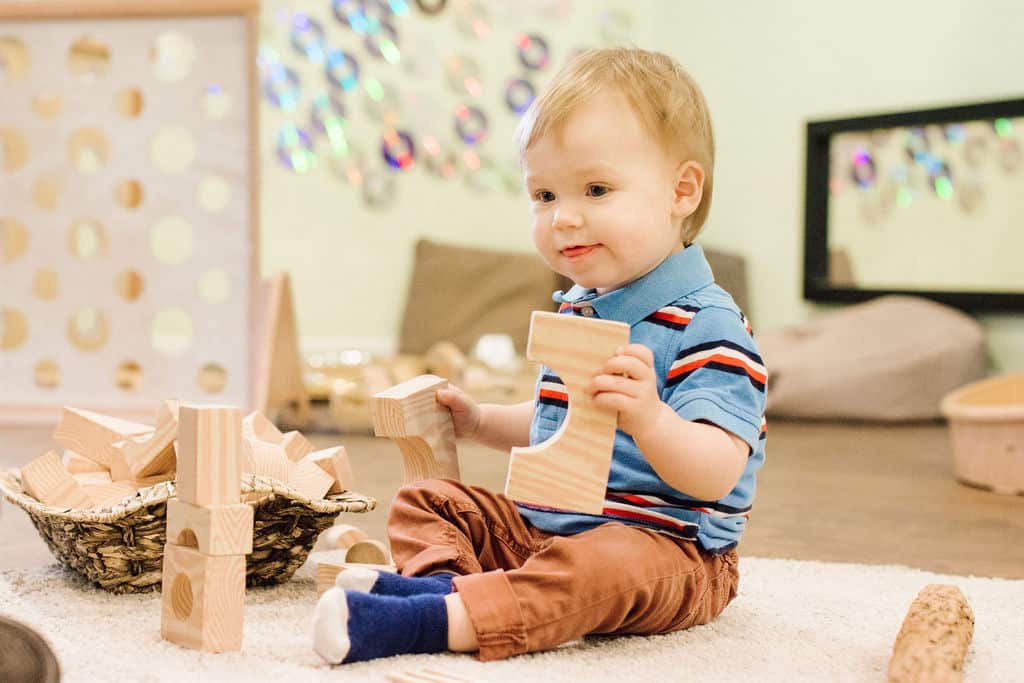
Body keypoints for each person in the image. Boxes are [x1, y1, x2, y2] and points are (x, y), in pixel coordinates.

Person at [313, 47, 767, 665]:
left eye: (596, 189)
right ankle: (446, 594)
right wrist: (481, 423)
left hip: (670, 553)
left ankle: (428, 622)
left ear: (682, 191)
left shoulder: (709, 325)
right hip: (547, 529)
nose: (564, 217)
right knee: (431, 500)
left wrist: (650, 419)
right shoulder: (583, 307)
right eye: (544, 194)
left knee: (603, 563)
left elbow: (717, 472)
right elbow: (560, 422)